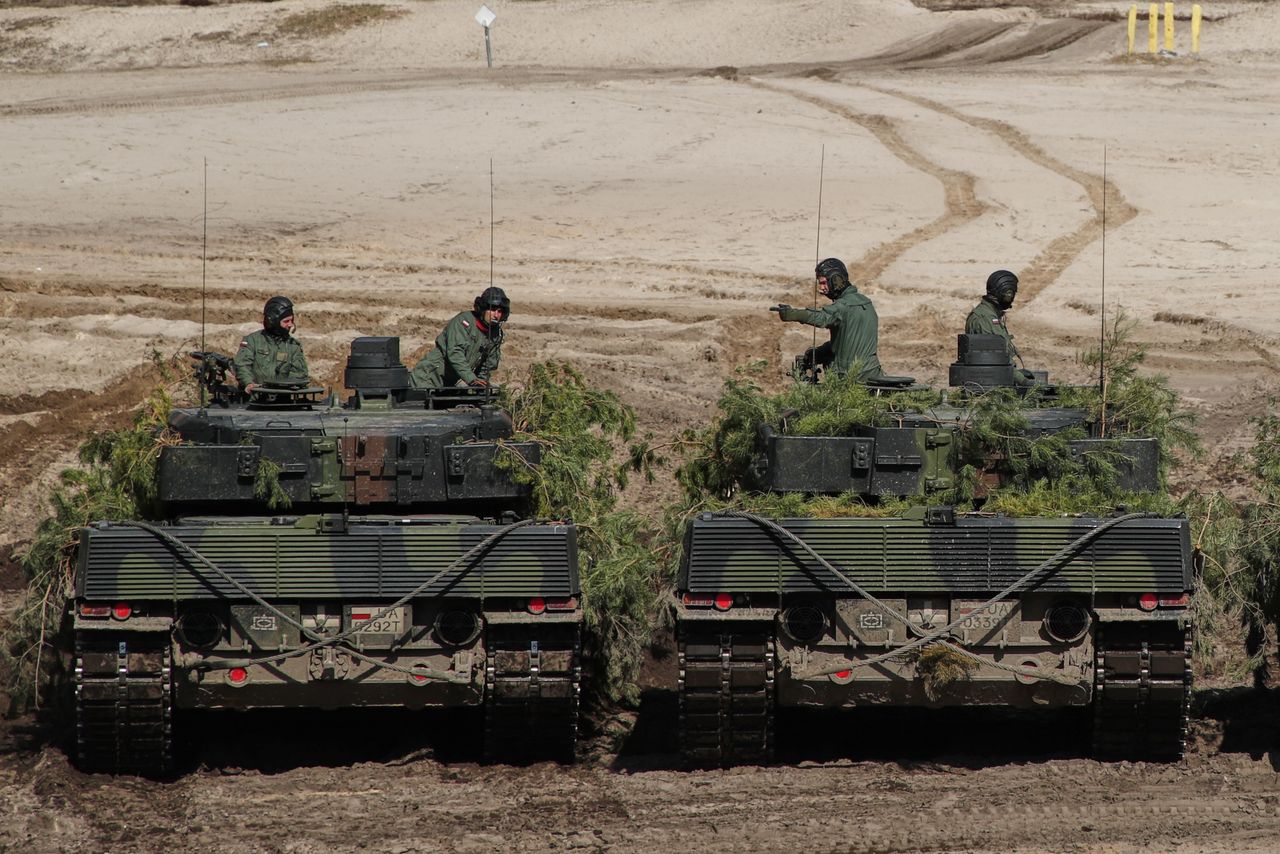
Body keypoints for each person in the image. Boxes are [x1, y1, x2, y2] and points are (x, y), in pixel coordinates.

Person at [775, 258, 883, 381]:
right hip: (873, 373)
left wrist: (792, 314)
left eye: (823, 283)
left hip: (849, 377)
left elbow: (822, 318)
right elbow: (847, 342)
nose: (821, 289)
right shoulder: (866, 303)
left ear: (836, 280)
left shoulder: (842, 306)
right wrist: (817, 353)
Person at [409, 287, 509, 389]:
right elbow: (455, 353)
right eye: (492, 309)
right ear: (482, 308)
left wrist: (481, 385)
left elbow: (488, 364)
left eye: (500, 311)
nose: (496, 315)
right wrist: (471, 379)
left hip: (450, 384)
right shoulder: (464, 322)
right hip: (427, 379)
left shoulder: (495, 334)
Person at [233, 295, 309, 393]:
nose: (290, 325)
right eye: (286, 321)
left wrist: (283, 388)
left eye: (291, 321)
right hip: (253, 399)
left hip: (282, 400)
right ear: (273, 321)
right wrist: (249, 383)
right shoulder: (252, 341)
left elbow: (299, 375)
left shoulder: (293, 346)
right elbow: (242, 365)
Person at [966, 269, 1022, 362]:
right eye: (1011, 294)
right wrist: (1019, 376)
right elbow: (996, 356)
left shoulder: (989, 314)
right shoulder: (985, 318)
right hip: (990, 374)